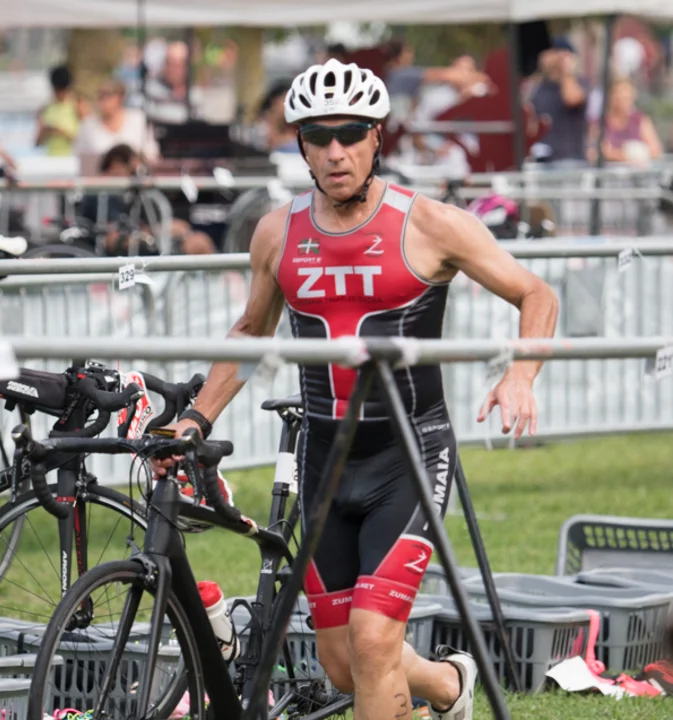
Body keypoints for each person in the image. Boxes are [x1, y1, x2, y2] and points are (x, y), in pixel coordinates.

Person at [161, 59, 559, 719]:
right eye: (319, 137)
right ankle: (449, 686)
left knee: (373, 642)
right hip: (325, 460)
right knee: (344, 662)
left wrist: (521, 373)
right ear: (301, 146)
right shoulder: (277, 231)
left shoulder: (429, 223)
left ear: (377, 137)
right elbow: (251, 331)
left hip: (408, 455)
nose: (335, 152)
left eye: (350, 134)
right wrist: (195, 420)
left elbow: (536, 294)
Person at [78, 144, 214, 255]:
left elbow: (163, 223)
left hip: (151, 247)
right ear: (115, 164)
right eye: (134, 172)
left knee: (199, 242)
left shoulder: (137, 193)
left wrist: (170, 231)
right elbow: (112, 240)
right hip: (122, 259)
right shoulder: (101, 193)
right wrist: (157, 232)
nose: (139, 178)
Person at [75, 79, 159, 175]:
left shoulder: (138, 119)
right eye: (100, 97)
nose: (103, 102)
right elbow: (79, 158)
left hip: (135, 180)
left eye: (108, 96)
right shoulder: (88, 126)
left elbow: (152, 153)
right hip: (100, 180)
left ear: (120, 97)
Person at [528, 37, 589, 165]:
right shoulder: (538, 87)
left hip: (570, 160)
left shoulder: (578, 83)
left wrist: (565, 69)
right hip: (542, 159)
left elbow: (571, 99)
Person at [588, 77, 662, 166]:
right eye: (621, 98)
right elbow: (593, 153)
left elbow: (656, 150)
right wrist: (623, 156)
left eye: (628, 98)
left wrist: (626, 154)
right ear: (611, 97)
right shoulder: (599, 123)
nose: (625, 102)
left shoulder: (640, 120)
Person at [35, 65, 81, 157]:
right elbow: (37, 143)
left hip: (73, 158)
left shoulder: (78, 106)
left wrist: (62, 132)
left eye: (62, 90)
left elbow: (86, 141)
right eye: (57, 90)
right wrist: (45, 132)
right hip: (52, 159)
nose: (59, 94)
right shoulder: (46, 109)